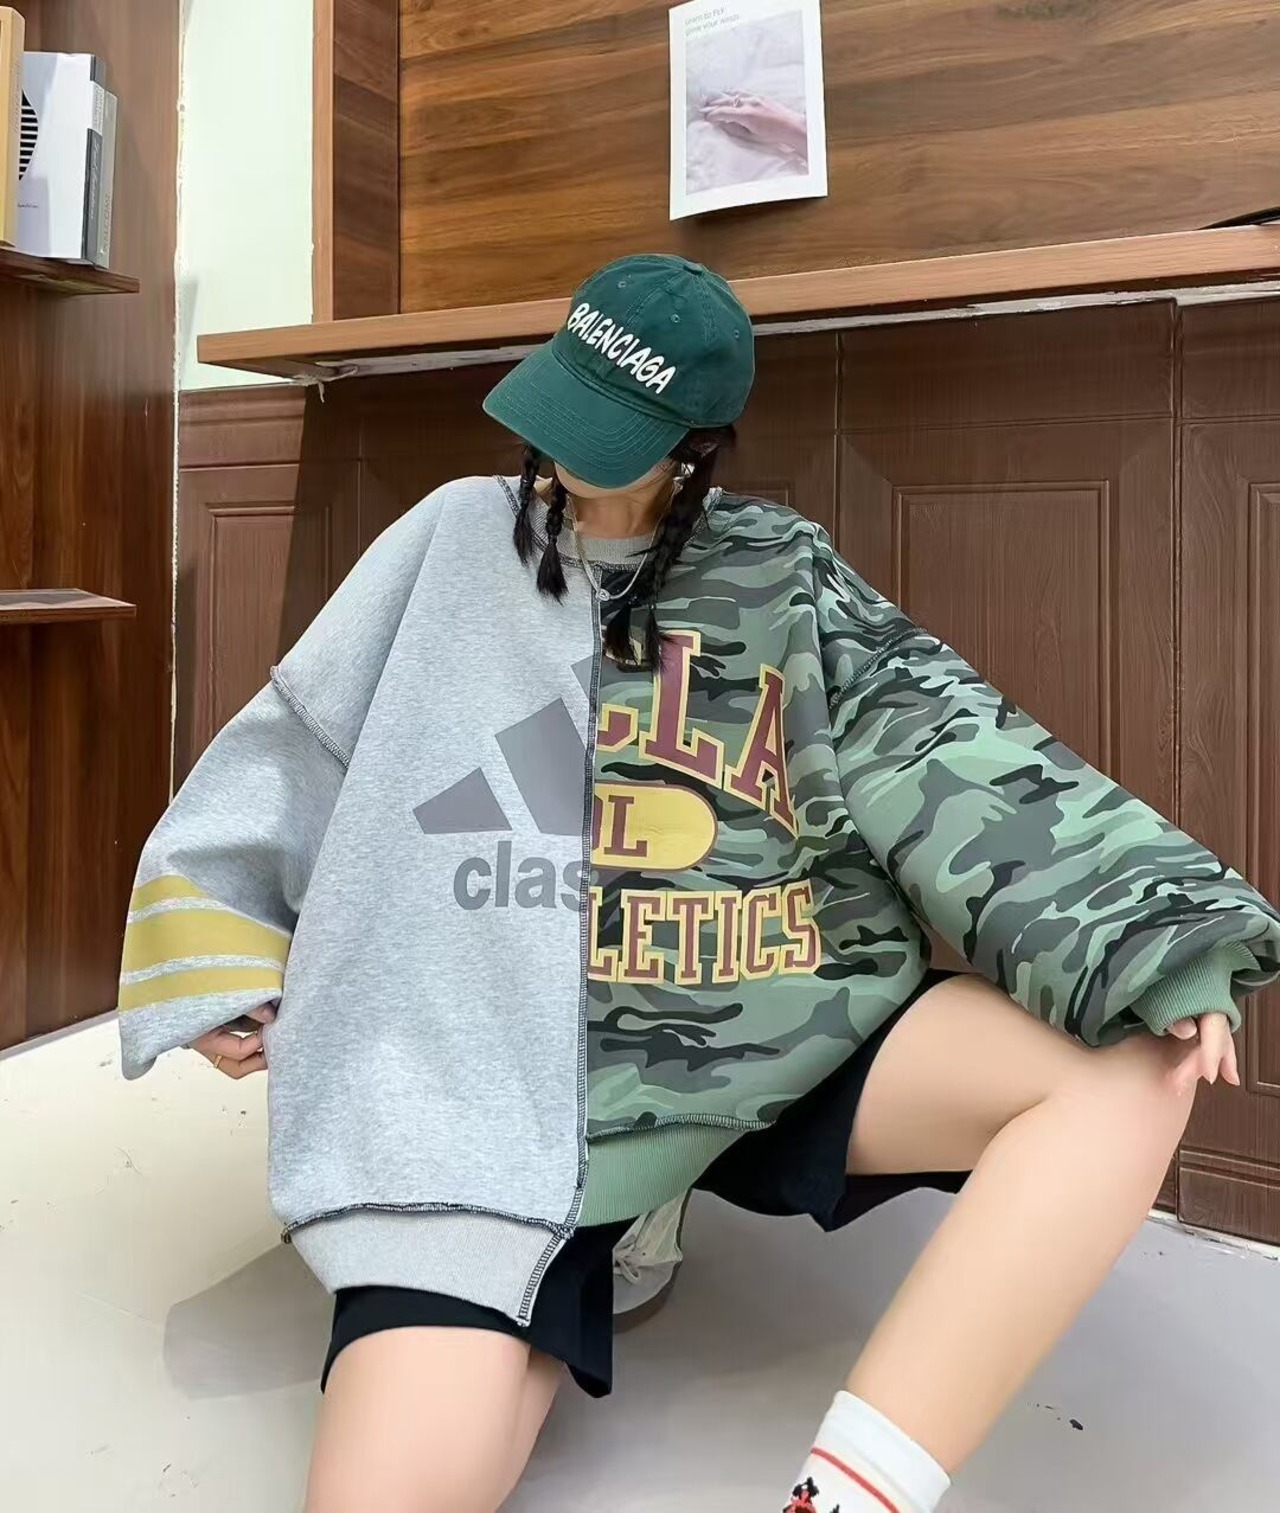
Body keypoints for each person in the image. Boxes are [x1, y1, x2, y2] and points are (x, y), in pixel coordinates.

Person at [117, 253, 1280, 1513]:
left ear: (697, 445)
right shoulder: (450, 537)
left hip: (745, 1032)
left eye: (612, 432)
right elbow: (295, 743)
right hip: (477, 1099)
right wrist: (224, 956)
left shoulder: (778, 570)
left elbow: (945, 746)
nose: (565, 456)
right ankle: (595, 1237)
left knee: (1137, 1066)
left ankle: (841, 1498)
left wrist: (1154, 937)